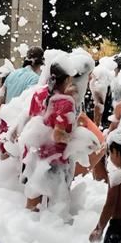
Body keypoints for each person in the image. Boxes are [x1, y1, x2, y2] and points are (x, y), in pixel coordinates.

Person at [22, 62, 76, 211]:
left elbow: (33, 121)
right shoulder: (65, 102)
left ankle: (28, 234)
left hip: (34, 156)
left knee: (31, 211)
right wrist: (76, 142)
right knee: (56, 214)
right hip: (55, 161)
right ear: (67, 79)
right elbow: (58, 135)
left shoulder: (39, 94)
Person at [0, 47, 44, 155]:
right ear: (39, 64)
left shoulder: (12, 75)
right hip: (18, 129)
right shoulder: (34, 79)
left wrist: (1, 120)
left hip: (4, 126)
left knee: (3, 164)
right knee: (17, 165)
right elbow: (30, 107)